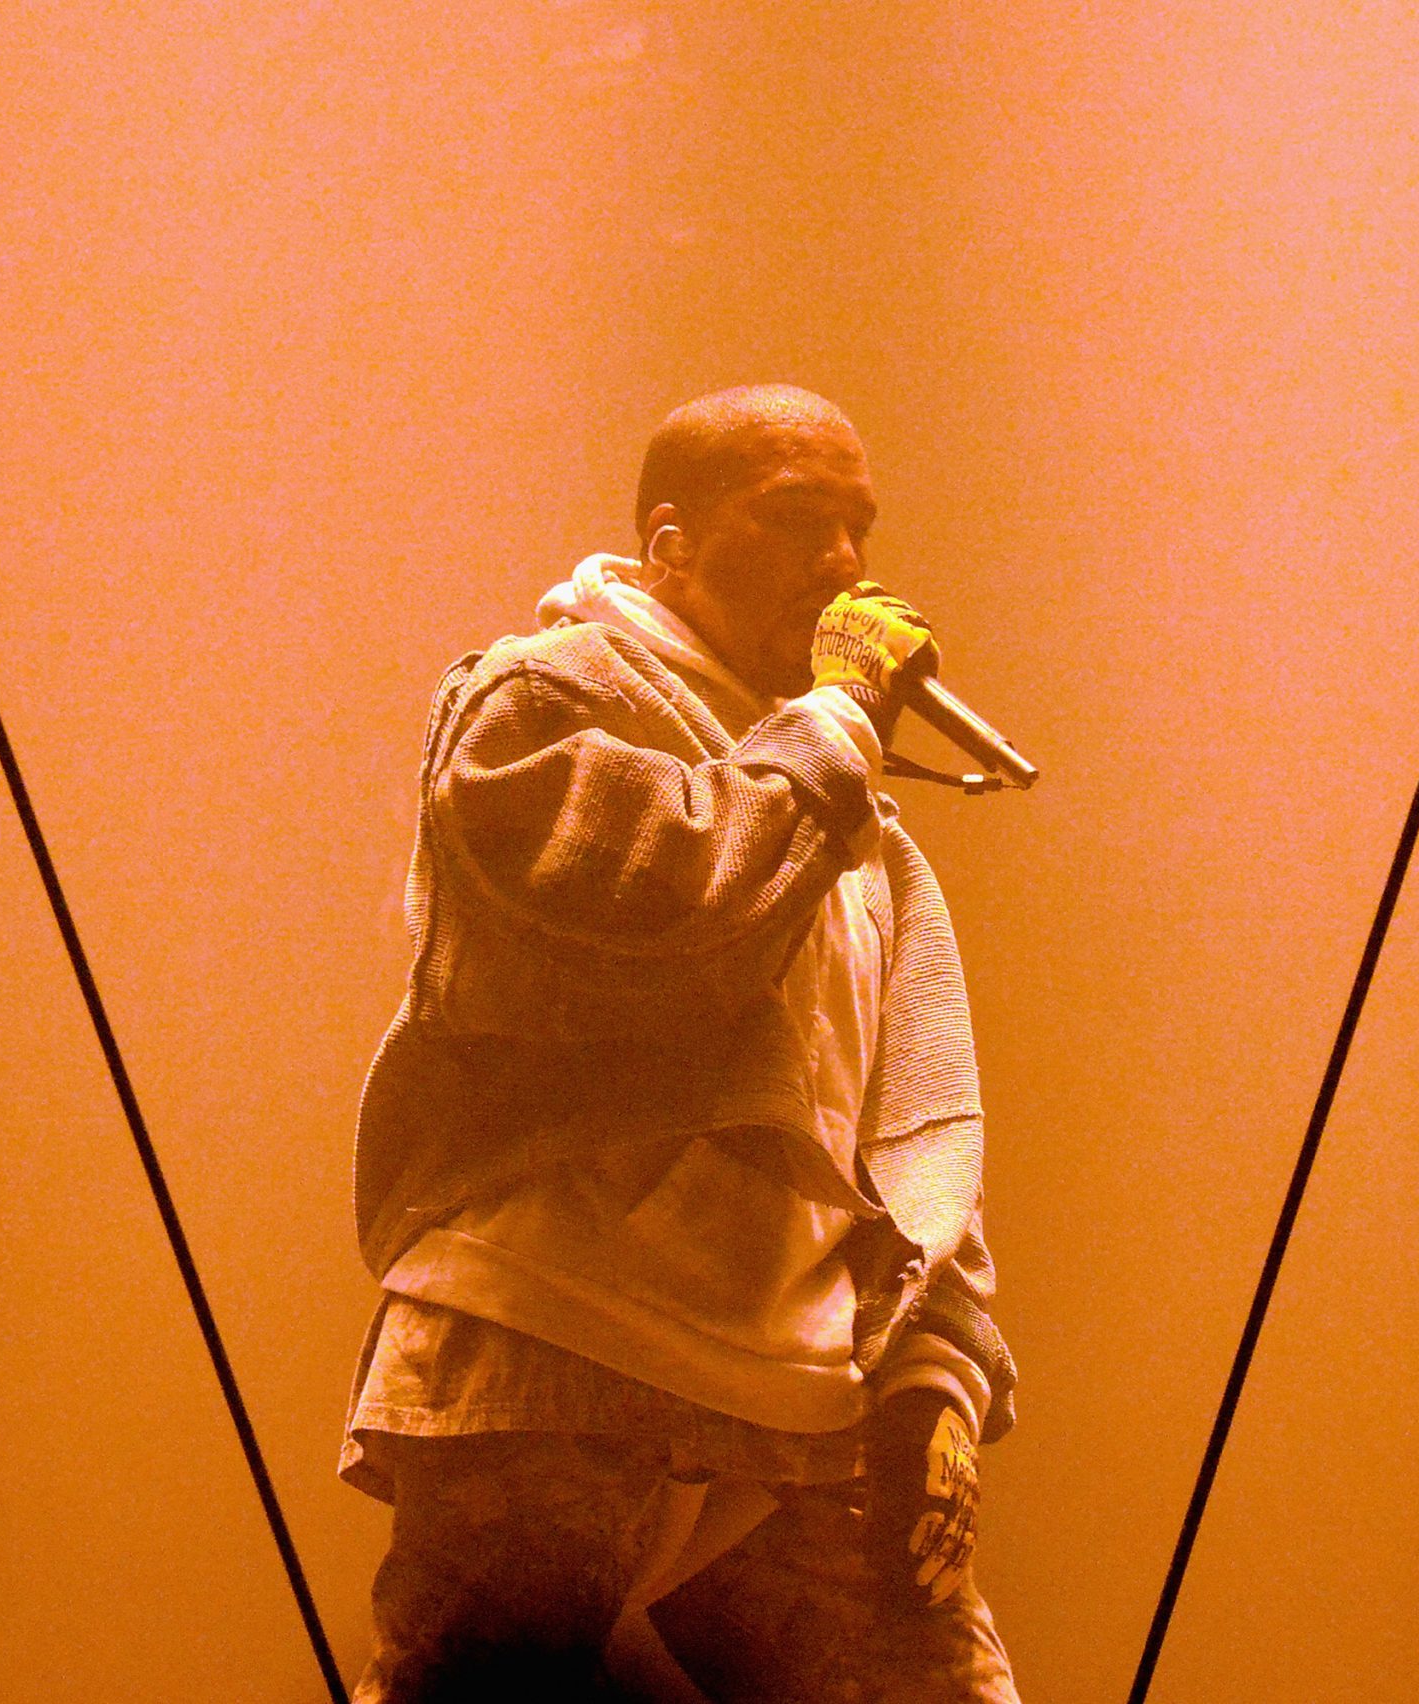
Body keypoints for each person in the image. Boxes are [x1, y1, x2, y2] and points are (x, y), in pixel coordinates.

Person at [341, 384, 1021, 1702]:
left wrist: (936, 1369)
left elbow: (923, 1128)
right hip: (550, 1354)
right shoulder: (537, 698)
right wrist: (836, 723)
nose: (844, 565)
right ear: (669, 547)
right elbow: (673, 918)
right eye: (798, 521)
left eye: (859, 529)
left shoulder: (858, 833)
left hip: (799, 1393)